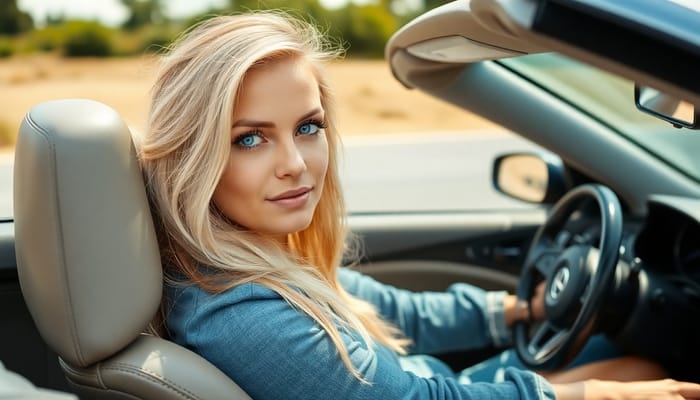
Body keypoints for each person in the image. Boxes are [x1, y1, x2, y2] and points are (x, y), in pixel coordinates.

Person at [137, 11, 700, 400]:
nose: (297, 163)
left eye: (308, 127)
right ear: (194, 154)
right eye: (250, 139)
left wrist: (517, 308)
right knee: (640, 369)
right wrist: (589, 393)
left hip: (428, 380)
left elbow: (392, 313)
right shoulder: (241, 314)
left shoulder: (253, 261)